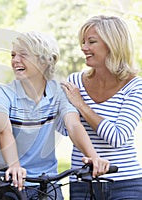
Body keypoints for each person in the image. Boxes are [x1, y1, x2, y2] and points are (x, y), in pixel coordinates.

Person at [0, 31, 110, 199]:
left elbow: (74, 125)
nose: (15, 60)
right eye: (13, 55)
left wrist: (94, 157)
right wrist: (15, 166)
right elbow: (4, 131)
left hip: (47, 183)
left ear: (45, 61)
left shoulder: (59, 92)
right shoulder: (2, 93)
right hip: (10, 182)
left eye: (23, 54)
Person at [61, 15, 142, 199]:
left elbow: (117, 137)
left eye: (91, 41)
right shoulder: (75, 82)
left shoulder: (135, 86)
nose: (84, 48)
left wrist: (81, 105)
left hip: (125, 183)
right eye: (83, 42)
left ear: (112, 44)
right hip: (83, 182)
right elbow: (64, 129)